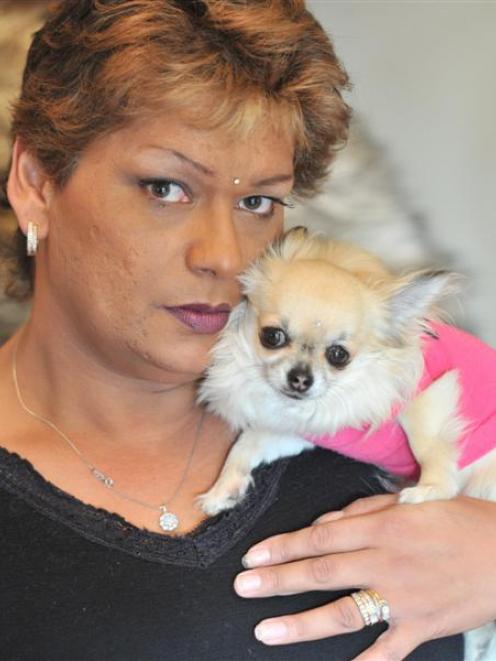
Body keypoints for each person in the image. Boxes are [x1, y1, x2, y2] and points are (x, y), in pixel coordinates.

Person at [0, 1, 493, 659]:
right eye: (166, 188)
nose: (228, 257)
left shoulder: (359, 405)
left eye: (257, 201)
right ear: (35, 182)